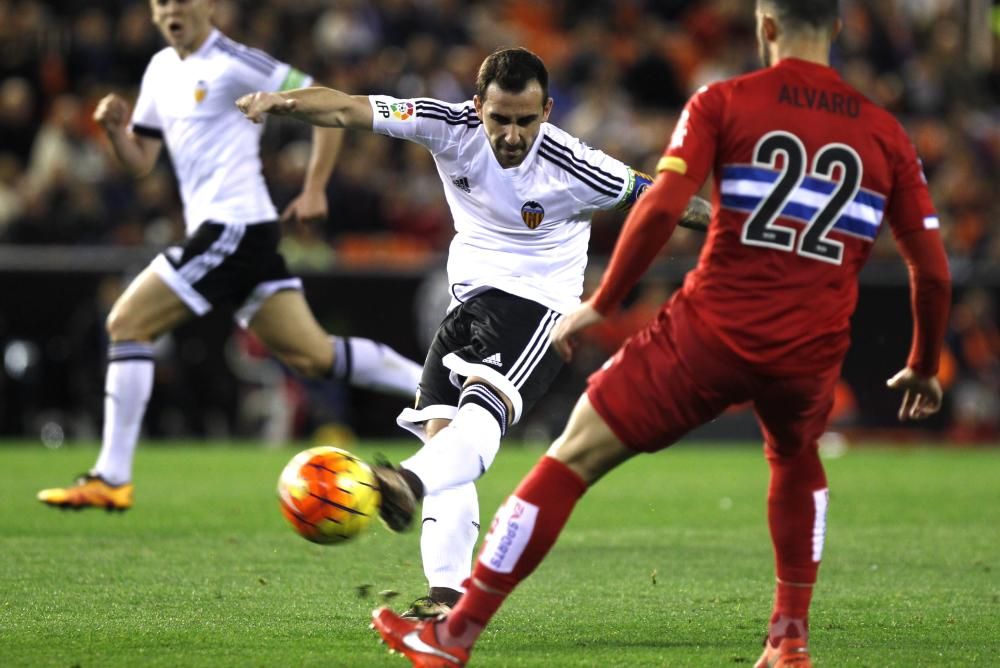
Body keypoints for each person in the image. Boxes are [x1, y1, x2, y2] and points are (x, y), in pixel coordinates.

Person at [369, 0, 952, 666]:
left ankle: (453, 634)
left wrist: (606, 301)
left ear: (765, 26)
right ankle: (789, 639)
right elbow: (931, 270)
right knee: (796, 461)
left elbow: (662, 205)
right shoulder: (885, 131)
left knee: (571, 456)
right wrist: (925, 361)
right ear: (839, 29)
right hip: (813, 342)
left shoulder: (723, 101)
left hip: (714, 328)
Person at [237, 47, 709, 619]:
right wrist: (282, 102)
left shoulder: (576, 164)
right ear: (477, 104)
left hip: (537, 310)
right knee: (442, 442)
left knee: (477, 422)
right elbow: (346, 110)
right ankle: (445, 596)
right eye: (500, 118)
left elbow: (666, 201)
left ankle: (404, 483)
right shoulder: (446, 125)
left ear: (547, 111)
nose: (513, 135)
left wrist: (740, 228)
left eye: (527, 120)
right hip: (467, 308)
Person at [37, 0, 422, 511]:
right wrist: (114, 131)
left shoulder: (236, 61)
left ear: (209, 6)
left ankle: (110, 476)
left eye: (181, 0)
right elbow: (141, 162)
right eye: (161, 3)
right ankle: (436, 389)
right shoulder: (159, 70)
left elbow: (328, 108)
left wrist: (314, 188)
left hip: (234, 228)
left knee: (127, 323)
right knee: (315, 354)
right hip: (238, 234)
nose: (171, 9)